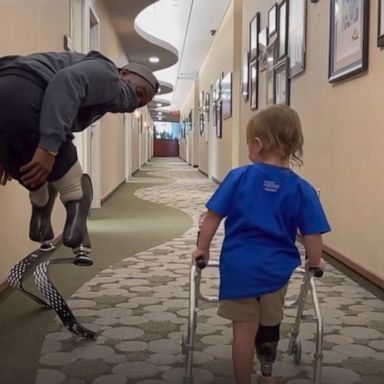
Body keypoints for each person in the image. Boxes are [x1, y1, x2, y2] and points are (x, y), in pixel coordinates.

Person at [192, 104, 331, 384]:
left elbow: (212, 217)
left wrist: (202, 248)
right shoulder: (302, 188)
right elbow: (313, 236)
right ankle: (266, 375)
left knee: (243, 330)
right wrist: (315, 261)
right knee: (269, 326)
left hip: (238, 267)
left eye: (247, 143)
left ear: (257, 144)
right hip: (276, 270)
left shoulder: (239, 176)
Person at [0, 50, 159, 265]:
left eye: (140, 104)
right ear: (124, 72)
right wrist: (48, 147)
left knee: (34, 171)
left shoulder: (99, 97)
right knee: (73, 179)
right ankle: (77, 229)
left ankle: (41, 221)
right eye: (139, 92)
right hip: (27, 93)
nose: (133, 104)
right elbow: (66, 81)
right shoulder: (107, 73)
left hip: (10, 93)